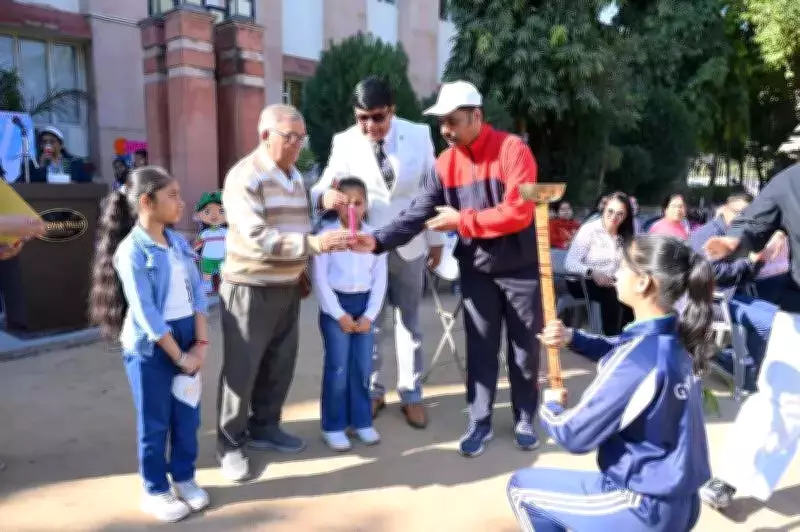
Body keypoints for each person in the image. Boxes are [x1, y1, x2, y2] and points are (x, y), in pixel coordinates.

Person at [351, 80, 543, 457]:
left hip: (520, 270)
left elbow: (519, 213)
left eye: (452, 122)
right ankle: (480, 420)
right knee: (481, 349)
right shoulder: (444, 163)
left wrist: (463, 222)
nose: (445, 131)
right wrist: (378, 241)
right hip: (477, 270)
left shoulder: (513, 151)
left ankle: (524, 417)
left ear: (477, 116)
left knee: (524, 349)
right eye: (441, 123)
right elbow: (419, 213)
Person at [507, 234, 713, 532]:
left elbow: (572, 435)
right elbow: (621, 348)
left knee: (521, 488)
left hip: (641, 507)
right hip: (683, 503)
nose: (616, 273)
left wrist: (551, 404)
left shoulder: (636, 360)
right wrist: (572, 337)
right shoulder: (678, 338)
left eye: (622, 266)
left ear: (643, 282)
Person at [216, 104, 352, 482]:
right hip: (250, 286)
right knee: (242, 370)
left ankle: (265, 427)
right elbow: (258, 237)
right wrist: (315, 246)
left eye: (300, 138)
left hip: (287, 286)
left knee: (279, 365)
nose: (297, 145)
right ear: (265, 136)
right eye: (289, 137)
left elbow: (298, 216)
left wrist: (321, 204)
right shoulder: (245, 177)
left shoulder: (293, 175)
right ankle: (229, 443)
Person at [312, 77, 444, 428]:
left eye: (378, 117)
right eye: (362, 118)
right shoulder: (344, 141)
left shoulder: (418, 134)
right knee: (373, 322)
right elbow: (325, 182)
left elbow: (432, 190)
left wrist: (436, 241)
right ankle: (373, 390)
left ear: (393, 110)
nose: (370, 125)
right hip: (366, 249)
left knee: (410, 322)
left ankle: (411, 393)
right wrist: (323, 196)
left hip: (410, 243)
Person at [88, 166, 210, 523]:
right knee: (155, 422)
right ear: (146, 201)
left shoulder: (179, 243)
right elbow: (146, 314)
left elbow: (199, 295)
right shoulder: (131, 251)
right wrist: (180, 356)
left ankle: (184, 477)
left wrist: (199, 343)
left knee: (186, 415)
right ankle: (155, 488)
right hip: (152, 347)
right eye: (172, 196)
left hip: (187, 337)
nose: (182, 202)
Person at [700, 162, 800, 510]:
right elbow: (752, 223)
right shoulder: (792, 180)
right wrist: (734, 241)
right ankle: (731, 477)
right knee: (778, 395)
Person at [313, 177, 388, 451]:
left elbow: (380, 279)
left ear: (366, 205)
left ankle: (361, 421)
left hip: (365, 304)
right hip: (336, 307)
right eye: (346, 203)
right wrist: (338, 315)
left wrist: (369, 315)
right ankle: (333, 425)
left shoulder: (374, 237)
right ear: (337, 205)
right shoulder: (327, 236)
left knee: (362, 366)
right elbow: (320, 280)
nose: (352, 209)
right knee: (338, 366)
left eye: (358, 203)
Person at [565, 191, 635, 337]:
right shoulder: (590, 229)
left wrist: (619, 278)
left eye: (620, 214)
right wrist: (592, 272)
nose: (614, 217)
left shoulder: (625, 235)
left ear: (626, 216)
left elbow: (626, 265)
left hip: (611, 280)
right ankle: (611, 339)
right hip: (582, 280)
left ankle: (629, 338)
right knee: (613, 293)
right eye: (610, 211)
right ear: (604, 209)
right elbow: (570, 262)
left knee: (631, 290)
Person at [21, 126, 90, 183]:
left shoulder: (75, 163)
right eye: (44, 142)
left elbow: (88, 184)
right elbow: (28, 186)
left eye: (52, 141)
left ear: (61, 145)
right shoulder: (32, 164)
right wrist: (41, 167)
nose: (48, 145)